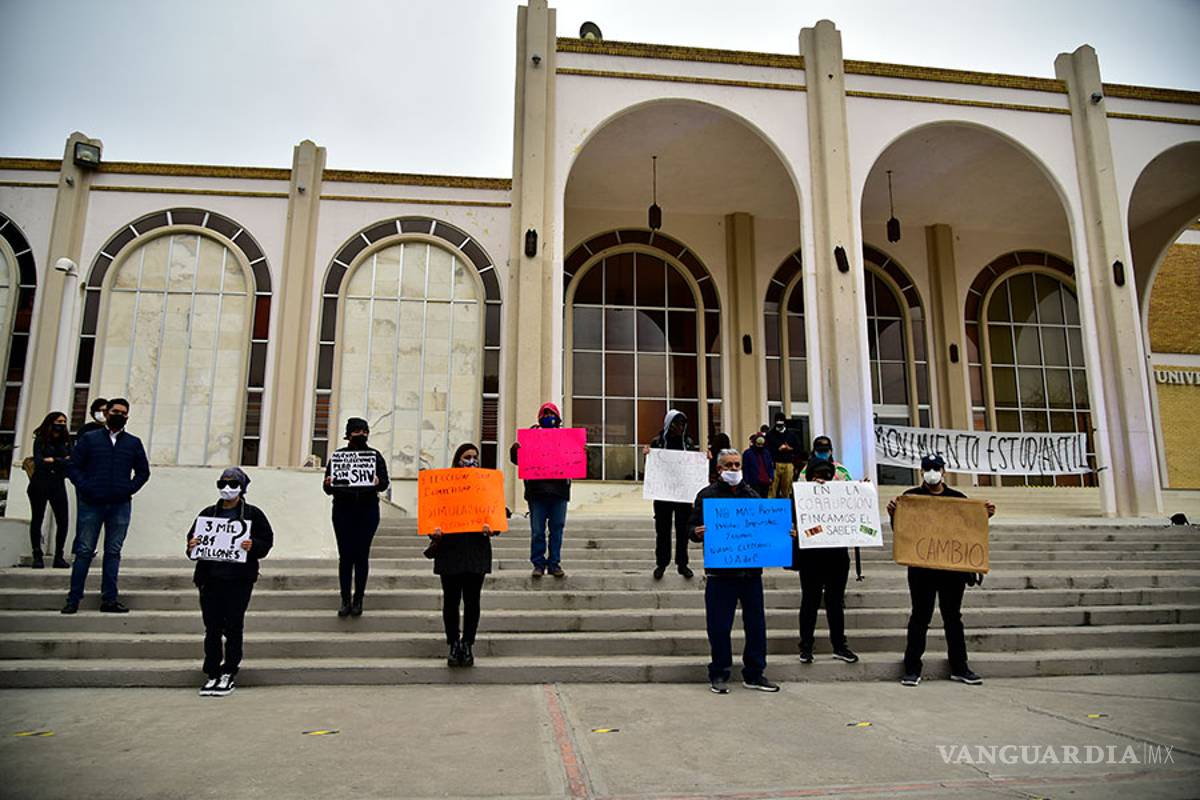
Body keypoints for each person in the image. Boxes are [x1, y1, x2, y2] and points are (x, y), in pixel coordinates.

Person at [887, 454, 995, 687]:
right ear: (921, 471)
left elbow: (968, 531)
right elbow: (903, 533)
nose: (932, 472)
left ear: (944, 470)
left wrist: (983, 515)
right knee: (920, 617)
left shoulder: (957, 499)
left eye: (936, 468)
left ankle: (960, 667)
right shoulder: (911, 498)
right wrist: (893, 514)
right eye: (928, 468)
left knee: (953, 618)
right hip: (921, 569)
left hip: (951, 570)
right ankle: (912, 668)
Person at [688, 449, 780, 694]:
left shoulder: (752, 495)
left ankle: (755, 673)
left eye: (737, 465)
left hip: (750, 574)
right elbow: (691, 528)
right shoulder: (706, 496)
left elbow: (764, 528)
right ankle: (719, 673)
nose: (734, 469)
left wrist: (782, 535)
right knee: (719, 627)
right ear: (719, 469)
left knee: (756, 625)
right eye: (729, 465)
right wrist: (696, 532)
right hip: (721, 574)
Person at [186, 467, 274, 697]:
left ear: (242, 488)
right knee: (212, 627)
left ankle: (229, 671)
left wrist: (252, 545)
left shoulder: (253, 514)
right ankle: (212, 671)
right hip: (210, 578)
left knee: (234, 626)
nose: (227, 488)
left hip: (238, 580)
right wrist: (192, 545)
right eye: (222, 483)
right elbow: (192, 543)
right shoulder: (207, 513)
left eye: (233, 484)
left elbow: (266, 541)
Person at [62, 398, 150, 614]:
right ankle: (74, 599)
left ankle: (109, 599)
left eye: (123, 412)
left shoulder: (133, 442)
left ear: (127, 416)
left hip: (119, 504)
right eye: (115, 411)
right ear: (107, 413)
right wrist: (86, 487)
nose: (119, 415)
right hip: (91, 502)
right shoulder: (90, 439)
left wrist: (128, 489)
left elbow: (143, 471)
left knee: (113, 552)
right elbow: (73, 467)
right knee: (84, 551)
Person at [424, 443, 502, 667]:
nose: (472, 460)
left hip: (476, 548)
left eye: (475, 457)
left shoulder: (486, 485)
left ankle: (468, 643)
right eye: (467, 457)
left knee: (472, 600)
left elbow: (495, 515)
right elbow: (433, 513)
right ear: (458, 459)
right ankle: (453, 644)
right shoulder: (444, 485)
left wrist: (492, 528)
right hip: (450, 549)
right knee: (451, 600)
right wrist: (434, 530)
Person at [790, 456, 858, 666]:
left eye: (827, 475)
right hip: (811, 556)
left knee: (835, 602)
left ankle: (839, 645)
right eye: (818, 476)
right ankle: (806, 647)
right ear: (810, 477)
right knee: (809, 602)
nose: (823, 479)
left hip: (837, 555)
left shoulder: (842, 496)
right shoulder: (800, 496)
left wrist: (862, 492)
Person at [323, 417, 390, 618]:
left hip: (367, 510)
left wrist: (378, 482)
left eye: (364, 431)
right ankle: (345, 599)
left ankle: (358, 598)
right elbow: (327, 487)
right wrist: (328, 483)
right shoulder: (338, 456)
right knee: (345, 556)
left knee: (361, 555)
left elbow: (385, 482)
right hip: (343, 510)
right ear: (349, 434)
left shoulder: (375, 456)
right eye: (357, 431)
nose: (362, 434)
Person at [510, 402, 573, 579]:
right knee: (537, 530)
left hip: (559, 492)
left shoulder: (567, 439)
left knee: (557, 529)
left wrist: (583, 452)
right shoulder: (530, 437)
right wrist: (516, 451)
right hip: (537, 492)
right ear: (539, 418)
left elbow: (578, 462)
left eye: (551, 414)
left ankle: (554, 563)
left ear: (558, 419)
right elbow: (517, 460)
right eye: (545, 414)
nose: (548, 417)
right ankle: (538, 563)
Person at [644, 409, 697, 580]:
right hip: (663, 494)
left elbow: (693, 466)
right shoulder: (657, 442)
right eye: (676, 423)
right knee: (663, 530)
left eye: (682, 424)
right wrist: (647, 455)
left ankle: (683, 564)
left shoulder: (688, 443)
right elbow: (652, 467)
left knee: (683, 531)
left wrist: (705, 460)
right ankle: (661, 563)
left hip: (682, 494)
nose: (679, 427)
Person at [27, 412, 72, 569]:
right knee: (37, 518)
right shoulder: (41, 440)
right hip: (40, 482)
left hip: (57, 483)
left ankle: (59, 555)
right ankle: (37, 554)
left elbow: (70, 461)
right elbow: (39, 462)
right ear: (51, 422)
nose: (62, 424)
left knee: (63, 520)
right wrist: (60, 461)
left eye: (64, 421)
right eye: (59, 421)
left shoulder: (65, 441)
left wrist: (53, 460)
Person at [765, 412, 801, 499]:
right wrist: (778, 449)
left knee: (787, 488)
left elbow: (798, 449)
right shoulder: (770, 435)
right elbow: (767, 450)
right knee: (772, 488)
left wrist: (790, 449)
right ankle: (770, 508)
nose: (779, 425)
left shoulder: (791, 435)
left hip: (788, 463)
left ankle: (786, 507)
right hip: (774, 464)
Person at [742, 432, 775, 499]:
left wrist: (771, 477)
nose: (760, 446)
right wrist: (746, 482)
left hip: (765, 480)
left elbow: (769, 466)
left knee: (764, 498)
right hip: (754, 481)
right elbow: (746, 468)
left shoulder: (766, 453)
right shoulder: (748, 453)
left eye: (761, 445)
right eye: (758, 444)